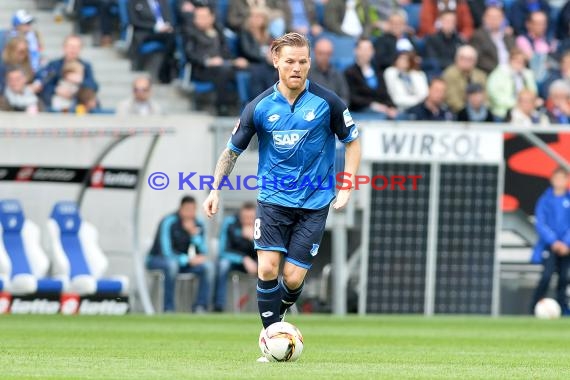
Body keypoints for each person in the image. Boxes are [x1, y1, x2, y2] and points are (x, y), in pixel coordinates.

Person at [202, 33, 361, 362]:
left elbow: (353, 141)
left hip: (314, 204)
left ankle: (279, 317)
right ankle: (271, 337)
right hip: (273, 200)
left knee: (292, 278)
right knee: (268, 268)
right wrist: (214, 188)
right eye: (290, 61)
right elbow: (231, 152)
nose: (297, 67)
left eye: (303, 62)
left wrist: (346, 185)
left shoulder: (327, 102)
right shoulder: (259, 107)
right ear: (275, 61)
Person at [147, 196, 213, 313]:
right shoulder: (169, 221)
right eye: (187, 209)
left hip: (182, 262)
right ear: (181, 209)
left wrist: (193, 235)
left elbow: (203, 252)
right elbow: (165, 252)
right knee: (172, 265)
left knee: (208, 267)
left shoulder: (198, 223)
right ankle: (169, 308)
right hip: (158, 259)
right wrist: (187, 260)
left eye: (193, 210)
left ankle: (200, 307)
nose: (190, 213)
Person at [184, 5, 248, 115]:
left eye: (203, 16)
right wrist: (208, 61)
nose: (199, 20)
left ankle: (249, 106)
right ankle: (222, 106)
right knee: (223, 71)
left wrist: (235, 61)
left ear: (212, 17)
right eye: (197, 17)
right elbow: (190, 54)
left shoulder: (219, 31)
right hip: (202, 69)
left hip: (223, 65)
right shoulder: (190, 32)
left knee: (248, 69)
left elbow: (226, 53)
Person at [530, 167, 570, 316]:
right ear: (552, 179)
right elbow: (540, 223)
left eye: (562, 178)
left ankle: (563, 309)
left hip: (567, 248)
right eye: (557, 178)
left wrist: (566, 242)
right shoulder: (545, 200)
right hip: (550, 246)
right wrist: (553, 241)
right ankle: (533, 307)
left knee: (564, 279)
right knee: (546, 276)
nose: (559, 181)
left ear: (567, 180)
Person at [213, 202, 258, 312]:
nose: (248, 221)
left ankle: (270, 309)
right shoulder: (230, 223)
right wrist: (243, 259)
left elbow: (266, 251)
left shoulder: (261, 225)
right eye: (245, 217)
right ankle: (218, 306)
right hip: (233, 263)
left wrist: (253, 240)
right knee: (223, 264)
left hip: (255, 264)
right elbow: (223, 251)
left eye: (251, 218)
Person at [33, 35, 99, 109]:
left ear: (80, 49)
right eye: (70, 46)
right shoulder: (54, 65)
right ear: (64, 48)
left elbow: (94, 86)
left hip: (78, 101)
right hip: (55, 101)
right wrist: (56, 90)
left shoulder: (86, 66)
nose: (73, 50)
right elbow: (43, 82)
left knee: (92, 98)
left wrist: (79, 81)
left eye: (76, 47)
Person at [344, 38, 398, 118]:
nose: (366, 52)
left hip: (382, 109)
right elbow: (353, 97)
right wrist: (373, 105)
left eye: (369, 49)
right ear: (356, 51)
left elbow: (384, 93)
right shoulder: (350, 72)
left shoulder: (378, 71)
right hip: (362, 110)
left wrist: (392, 106)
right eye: (363, 49)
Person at [127, 0, 176, 83]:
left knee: (174, 36)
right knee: (171, 38)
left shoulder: (163, 2)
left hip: (165, 33)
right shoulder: (134, 2)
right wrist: (156, 27)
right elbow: (134, 21)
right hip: (146, 33)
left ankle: (165, 67)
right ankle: (165, 69)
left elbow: (170, 19)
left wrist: (167, 27)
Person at [486, 47, 537, 119]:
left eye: (522, 61)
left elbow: (533, 92)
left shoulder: (527, 74)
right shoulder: (499, 73)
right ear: (510, 60)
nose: (519, 63)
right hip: (503, 112)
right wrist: (515, 104)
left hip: (525, 112)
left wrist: (526, 104)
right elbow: (494, 95)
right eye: (517, 60)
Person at [469, 6, 515, 74]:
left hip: (512, 71)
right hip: (491, 73)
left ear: (503, 19)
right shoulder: (478, 36)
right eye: (490, 17)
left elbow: (515, 55)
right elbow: (479, 59)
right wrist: (500, 70)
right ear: (484, 18)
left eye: (497, 17)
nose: (494, 20)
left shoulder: (508, 37)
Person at [441, 45, 487, 113]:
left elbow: (486, 97)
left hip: (479, 111)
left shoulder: (481, 75)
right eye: (463, 58)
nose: (466, 62)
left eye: (470, 59)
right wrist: (466, 112)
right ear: (456, 59)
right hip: (457, 112)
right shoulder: (449, 74)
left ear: (475, 61)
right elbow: (451, 99)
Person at [308, 37, 350, 105]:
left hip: (334, 111)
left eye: (328, 54)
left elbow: (345, 96)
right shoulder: (307, 73)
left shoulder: (337, 73)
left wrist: (338, 108)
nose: (324, 57)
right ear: (315, 52)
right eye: (321, 53)